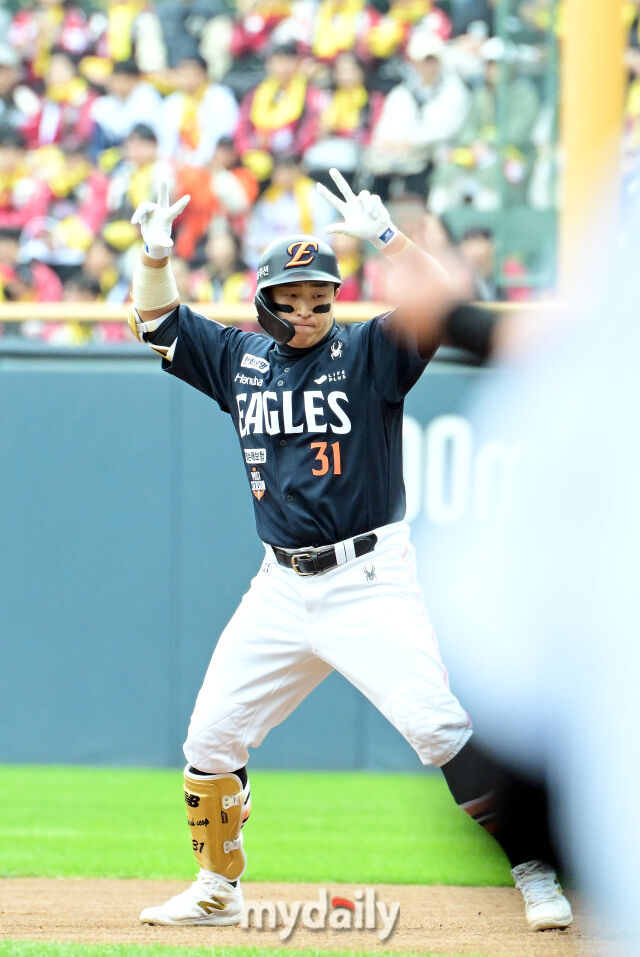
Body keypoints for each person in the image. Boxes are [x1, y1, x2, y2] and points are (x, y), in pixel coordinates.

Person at [128, 170, 572, 932]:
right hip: (280, 584)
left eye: (320, 295)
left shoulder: (369, 350)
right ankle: (216, 887)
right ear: (266, 301)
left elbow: (445, 308)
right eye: (293, 297)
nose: (308, 309)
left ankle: (534, 868)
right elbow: (158, 317)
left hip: (367, 578)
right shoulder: (240, 358)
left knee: (437, 725)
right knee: (209, 737)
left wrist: (392, 241)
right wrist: (157, 254)